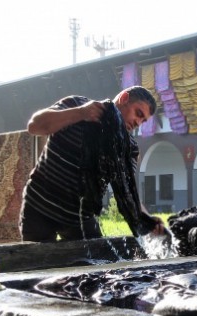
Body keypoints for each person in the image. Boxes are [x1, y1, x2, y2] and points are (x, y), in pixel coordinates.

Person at [19, 86, 165, 242]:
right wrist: (81, 113)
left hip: (80, 217)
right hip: (39, 207)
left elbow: (128, 192)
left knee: (96, 262)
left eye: (143, 121)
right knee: (36, 262)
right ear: (123, 98)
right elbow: (34, 126)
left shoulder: (128, 149)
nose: (138, 123)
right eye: (138, 113)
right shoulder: (76, 104)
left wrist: (146, 218)